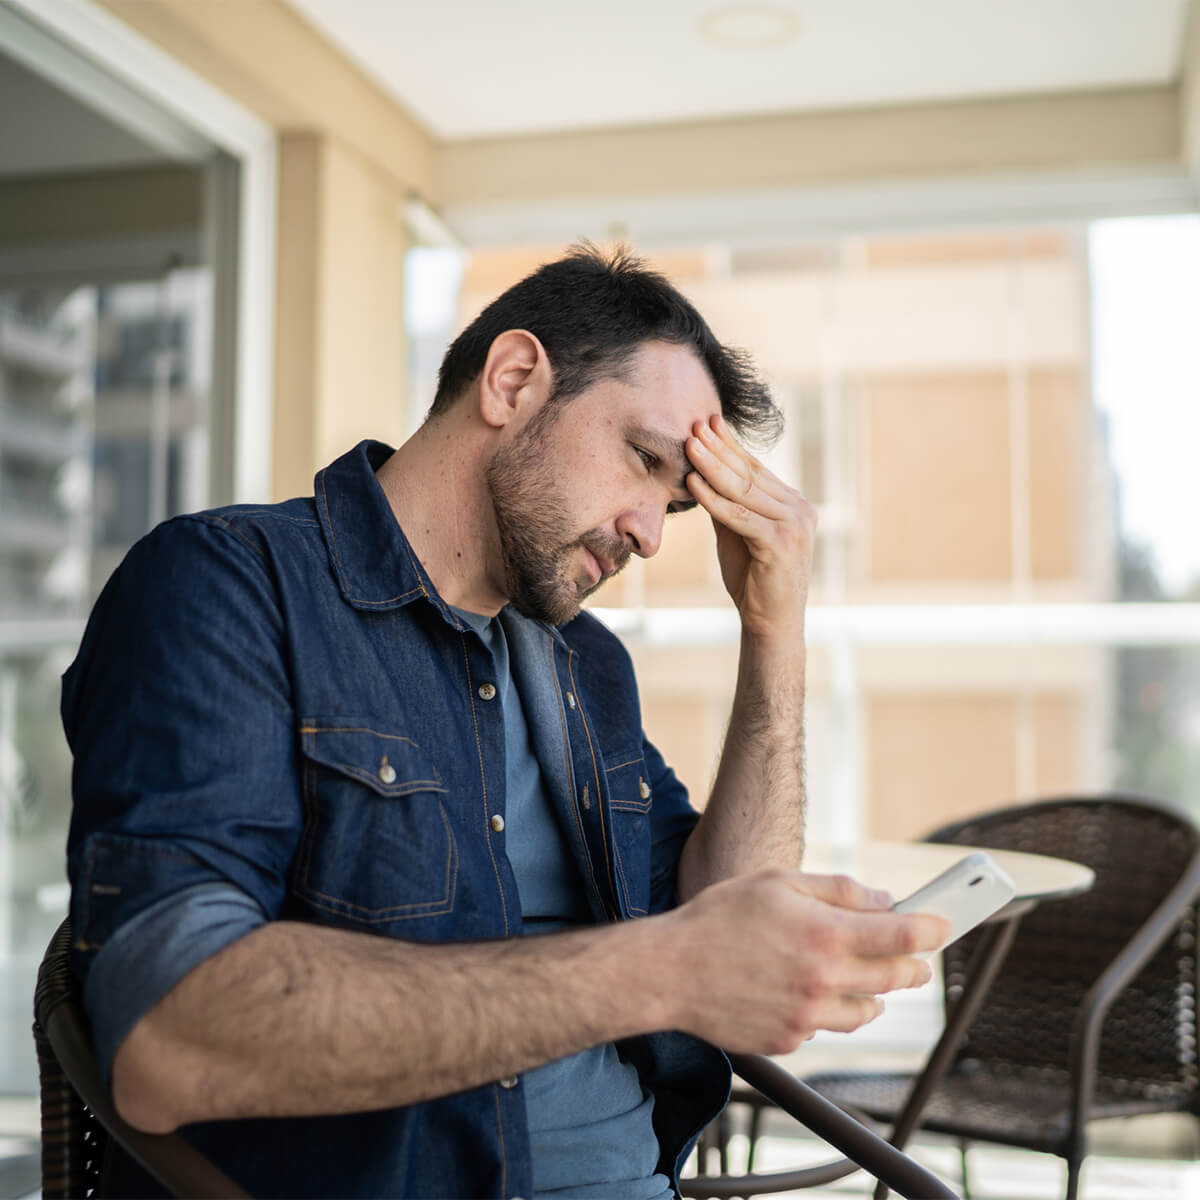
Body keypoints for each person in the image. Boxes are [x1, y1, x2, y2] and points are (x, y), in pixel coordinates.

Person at [62, 245, 946, 1199]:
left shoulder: (583, 663)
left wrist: (773, 628)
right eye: (644, 462)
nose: (651, 532)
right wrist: (656, 972)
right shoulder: (228, 586)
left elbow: (724, 916)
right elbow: (166, 1035)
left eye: (676, 505)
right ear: (514, 380)